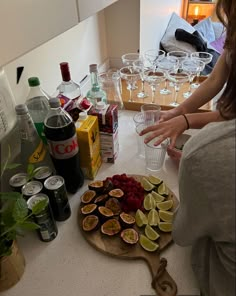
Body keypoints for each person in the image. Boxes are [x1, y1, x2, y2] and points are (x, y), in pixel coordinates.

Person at [142, 1, 236, 295]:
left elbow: (181, 233)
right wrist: (180, 113)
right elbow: (214, 80)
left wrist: (199, 161)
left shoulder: (208, 156)